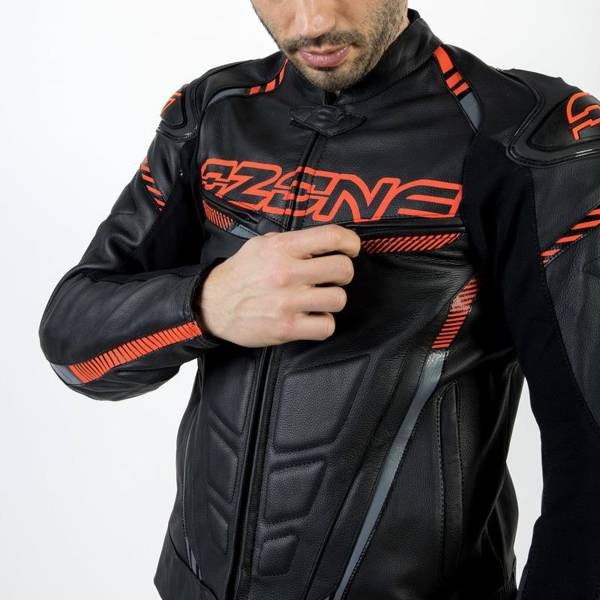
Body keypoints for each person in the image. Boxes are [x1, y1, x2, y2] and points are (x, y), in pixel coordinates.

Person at [38, 2, 600, 599]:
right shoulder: (216, 110)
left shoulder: (529, 133)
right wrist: (205, 306)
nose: (310, 24)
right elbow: (74, 349)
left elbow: (590, 456)